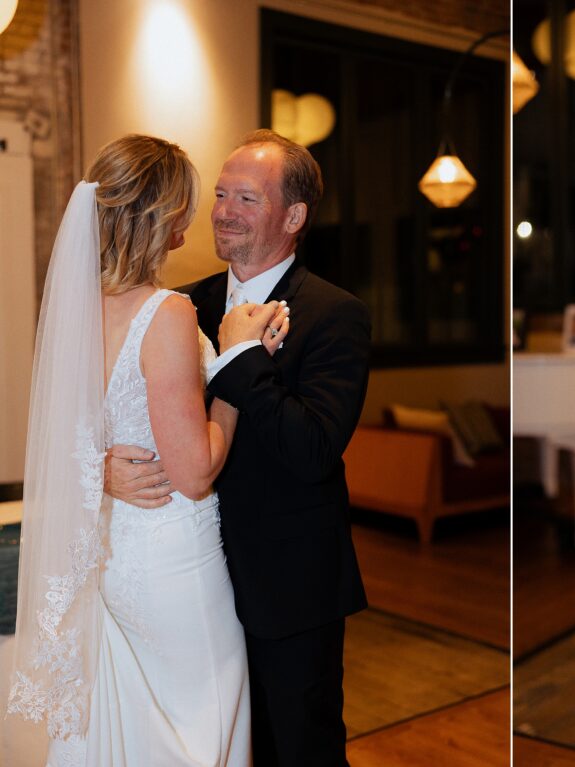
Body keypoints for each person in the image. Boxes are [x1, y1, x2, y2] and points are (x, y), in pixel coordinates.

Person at [6, 134, 286, 765]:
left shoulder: (79, 308)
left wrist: (101, 471)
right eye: (186, 208)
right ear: (160, 215)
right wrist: (237, 360)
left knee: (139, 725)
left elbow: (70, 436)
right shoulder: (167, 313)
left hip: (114, 557)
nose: (191, 227)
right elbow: (195, 471)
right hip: (173, 560)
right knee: (204, 724)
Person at [106, 129, 371, 766]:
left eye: (247, 199)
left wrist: (242, 357)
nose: (224, 211)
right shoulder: (179, 304)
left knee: (298, 750)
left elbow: (313, 451)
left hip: (288, 587)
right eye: (221, 194)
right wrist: (103, 470)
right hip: (185, 581)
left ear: (294, 217)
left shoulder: (335, 314)